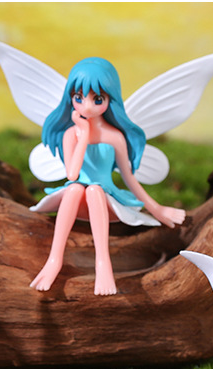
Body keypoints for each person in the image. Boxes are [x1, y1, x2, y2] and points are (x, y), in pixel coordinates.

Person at [30, 57, 185, 295]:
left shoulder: (114, 137)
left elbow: (129, 178)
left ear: (110, 99)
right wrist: (83, 135)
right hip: (75, 201)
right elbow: (72, 174)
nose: (86, 106)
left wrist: (157, 209)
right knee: (75, 187)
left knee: (94, 190)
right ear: (70, 97)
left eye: (97, 99)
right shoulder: (70, 134)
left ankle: (103, 264)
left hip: (105, 203)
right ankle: (54, 259)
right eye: (79, 97)